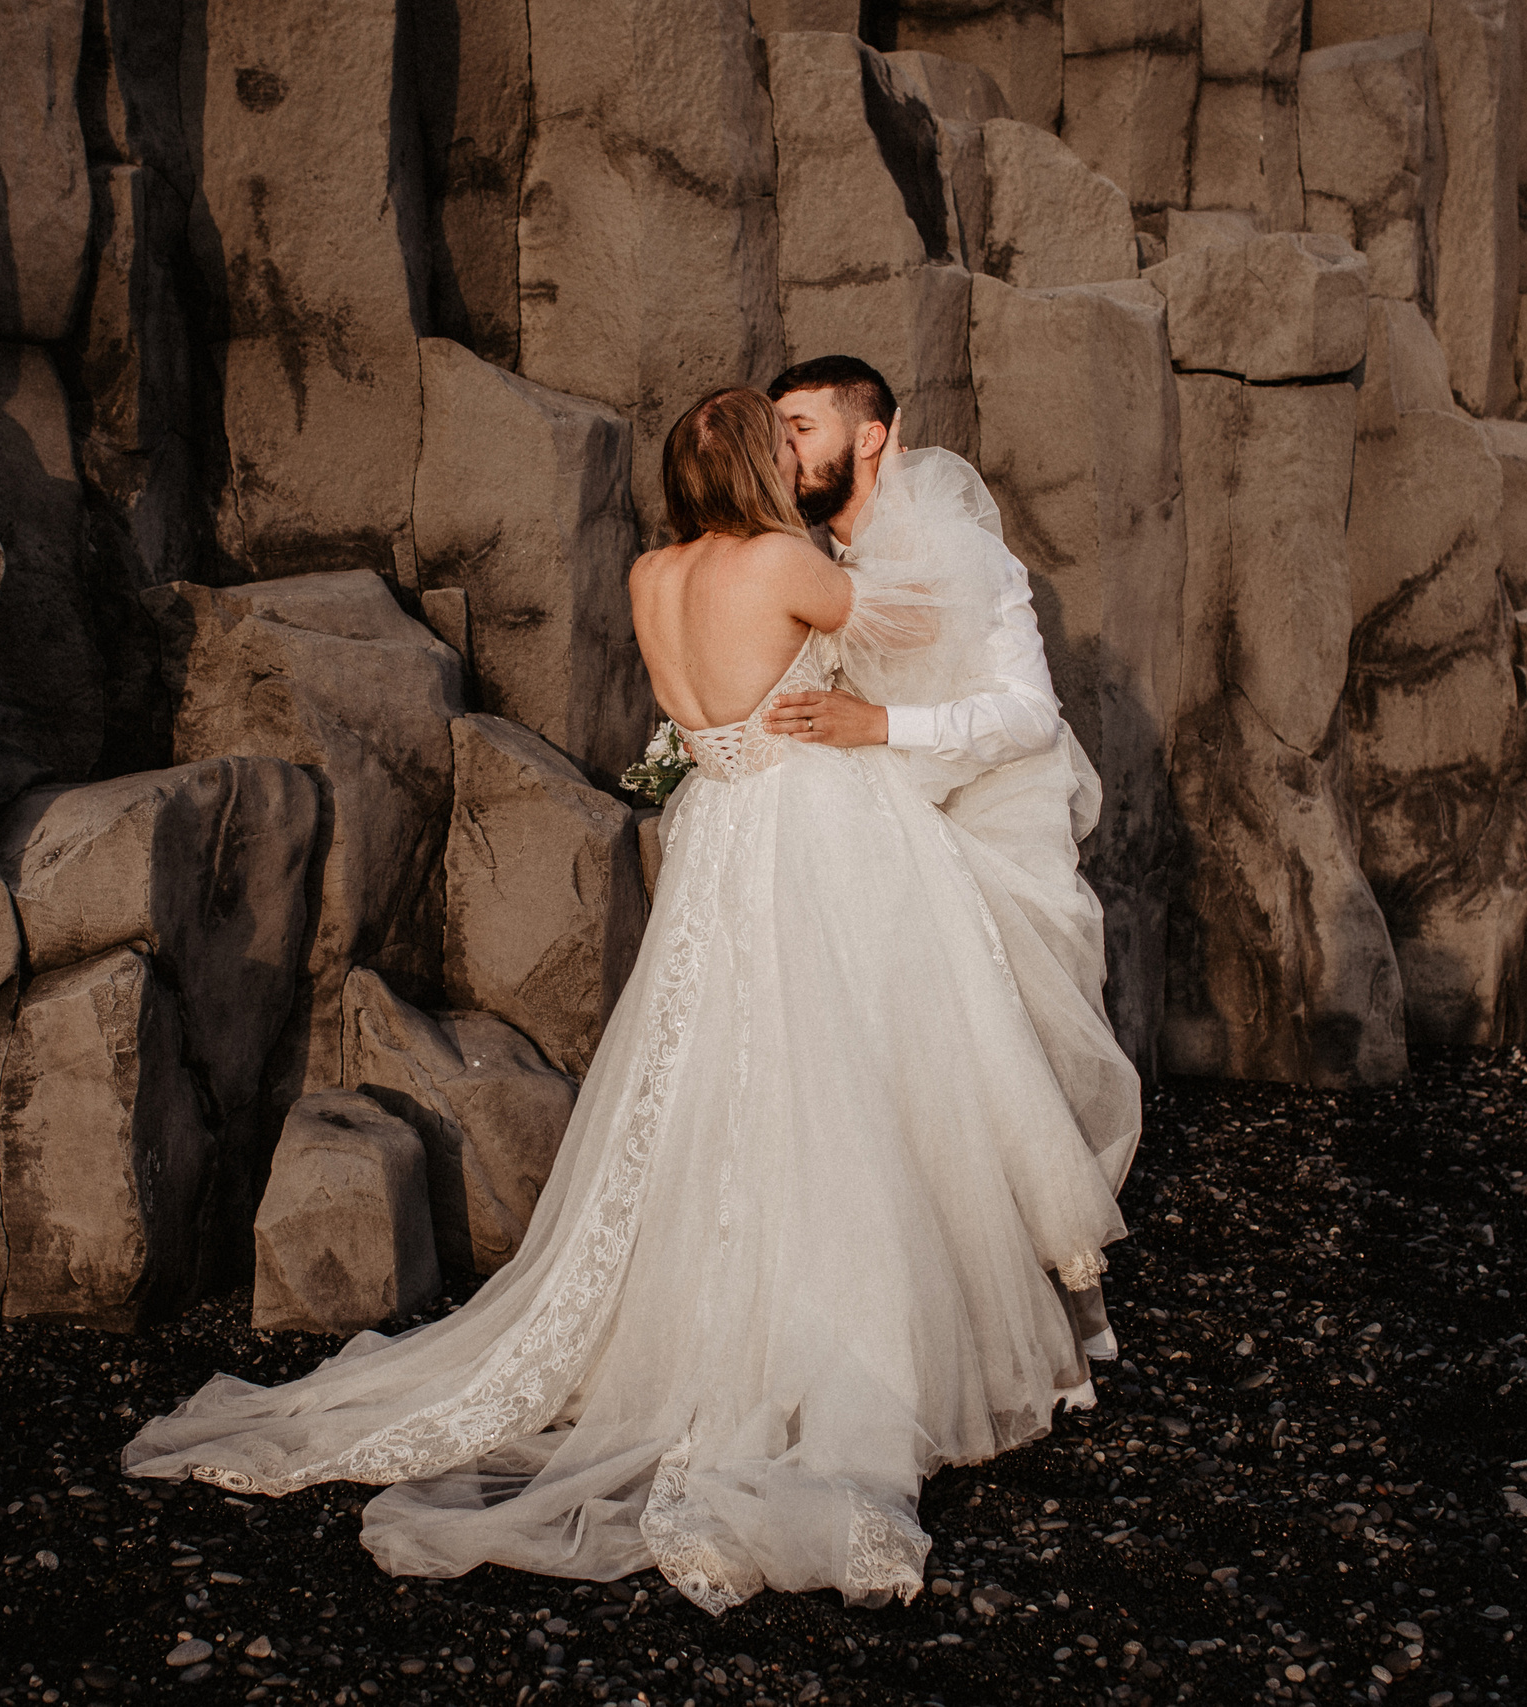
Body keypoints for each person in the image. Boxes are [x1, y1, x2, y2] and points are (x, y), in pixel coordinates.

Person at [120, 386, 1128, 1614]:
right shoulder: (790, 564)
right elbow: (918, 615)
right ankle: (833, 1351)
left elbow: (697, 714)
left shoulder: (653, 576)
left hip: (716, 841)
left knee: (710, 1077)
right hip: (812, 828)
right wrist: (902, 483)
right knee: (833, 1074)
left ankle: (715, 1314)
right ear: (761, 466)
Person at [759, 356, 1142, 1355]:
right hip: (864, 821)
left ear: (869, 435)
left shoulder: (962, 557)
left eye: (801, 427)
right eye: (778, 432)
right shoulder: (801, 565)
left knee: (979, 1060)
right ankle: (897, 1309)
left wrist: (877, 723)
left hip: (984, 822)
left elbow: (1024, 716)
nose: (784, 449)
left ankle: (1008, 1320)